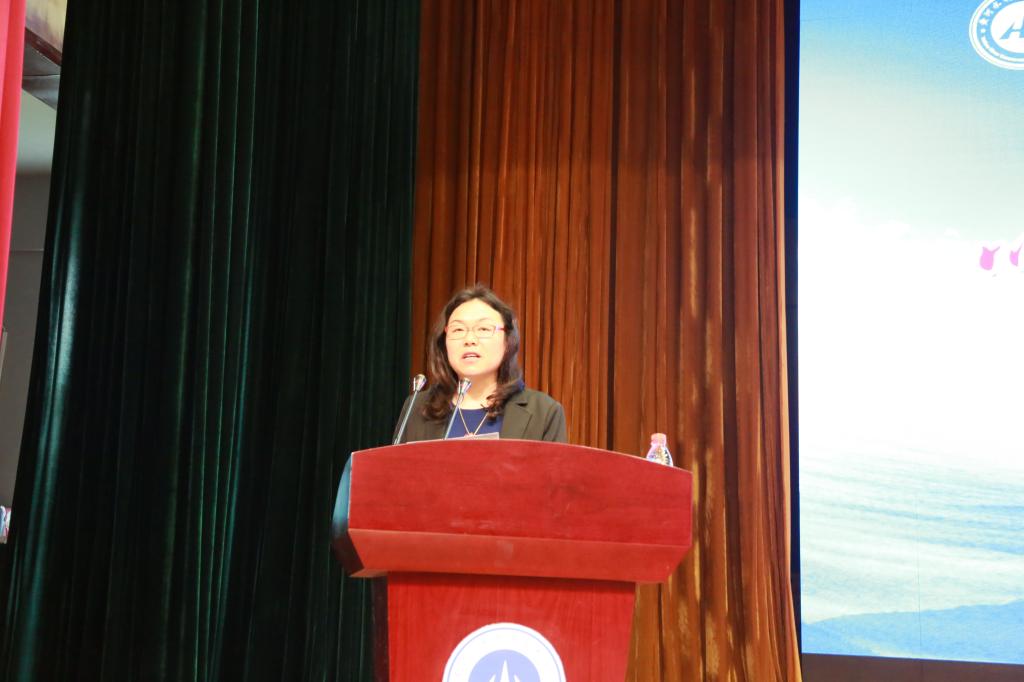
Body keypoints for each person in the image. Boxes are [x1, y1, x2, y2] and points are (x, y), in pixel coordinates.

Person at [394, 285, 567, 443]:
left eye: (483, 329)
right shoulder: (417, 408)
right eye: (458, 329)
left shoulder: (544, 412)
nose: (469, 339)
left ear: (508, 341)